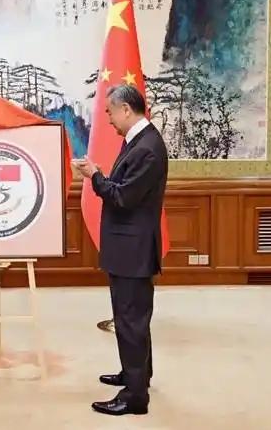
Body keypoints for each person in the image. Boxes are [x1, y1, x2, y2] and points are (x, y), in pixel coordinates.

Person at [73, 84, 168, 416]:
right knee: (132, 318)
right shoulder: (139, 142)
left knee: (131, 320)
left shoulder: (148, 149)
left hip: (133, 250)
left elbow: (123, 197)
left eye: (110, 112)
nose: (109, 119)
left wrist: (95, 176)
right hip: (128, 248)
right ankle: (136, 375)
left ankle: (135, 397)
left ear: (126, 109)